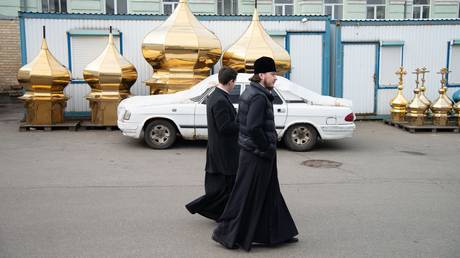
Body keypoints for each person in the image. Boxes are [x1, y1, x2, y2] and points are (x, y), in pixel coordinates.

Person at [212, 57, 298, 251]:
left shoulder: (251, 91)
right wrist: (266, 148)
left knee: (270, 194)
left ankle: (280, 232)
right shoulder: (259, 96)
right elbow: (253, 127)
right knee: (245, 195)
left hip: (251, 152)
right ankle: (226, 234)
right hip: (257, 154)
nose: (275, 78)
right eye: (273, 74)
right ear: (261, 75)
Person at [185, 67, 239, 221]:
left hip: (218, 148)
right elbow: (225, 127)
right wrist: (242, 123)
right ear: (230, 81)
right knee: (226, 186)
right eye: (234, 82)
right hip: (224, 150)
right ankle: (207, 209)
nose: (234, 85)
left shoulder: (215, 96)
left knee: (223, 186)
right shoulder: (221, 100)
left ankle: (222, 213)